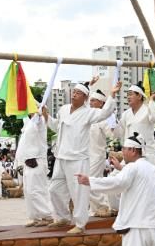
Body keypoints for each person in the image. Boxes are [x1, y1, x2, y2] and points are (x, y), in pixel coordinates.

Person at [43, 80, 121, 234]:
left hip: (78, 159)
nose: (74, 95)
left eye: (78, 93)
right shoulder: (64, 109)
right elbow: (56, 127)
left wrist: (112, 95)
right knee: (54, 189)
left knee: (78, 192)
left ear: (85, 98)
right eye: (73, 92)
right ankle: (63, 217)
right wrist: (46, 115)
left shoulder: (89, 112)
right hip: (61, 157)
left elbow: (105, 113)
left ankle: (80, 224)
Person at [15, 114, 53, 227]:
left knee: (36, 190)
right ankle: (35, 217)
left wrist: (37, 111)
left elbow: (37, 118)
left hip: (36, 161)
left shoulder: (39, 121)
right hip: (27, 162)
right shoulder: (28, 122)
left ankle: (47, 217)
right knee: (28, 191)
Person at [113, 82, 155, 166]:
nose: (128, 97)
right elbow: (117, 133)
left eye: (130, 94)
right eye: (127, 95)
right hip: (130, 155)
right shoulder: (126, 114)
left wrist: (151, 100)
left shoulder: (148, 109)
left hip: (147, 154)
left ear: (139, 96)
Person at [88, 89, 114, 217]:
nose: (91, 103)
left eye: (93, 100)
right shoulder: (88, 116)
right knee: (91, 182)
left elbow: (111, 134)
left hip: (97, 155)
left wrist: (112, 123)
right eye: (90, 100)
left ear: (101, 103)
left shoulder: (104, 119)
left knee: (91, 180)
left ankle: (102, 206)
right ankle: (95, 208)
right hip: (86, 155)